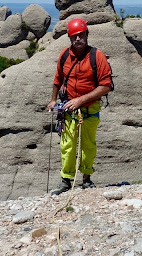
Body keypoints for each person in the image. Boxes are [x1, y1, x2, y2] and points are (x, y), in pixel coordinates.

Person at [48, 18, 113, 195]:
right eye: (74, 36)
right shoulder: (64, 55)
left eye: (81, 35)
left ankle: (86, 179)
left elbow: (106, 86)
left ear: (86, 35)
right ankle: (66, 180)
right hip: (69, 108)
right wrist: (53, 100)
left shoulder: (96, 56)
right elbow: (58, 78)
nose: (78, 39)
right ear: (69, 37)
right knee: (67, 145)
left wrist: (80, 100)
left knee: (88, 145)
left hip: (90, 108)